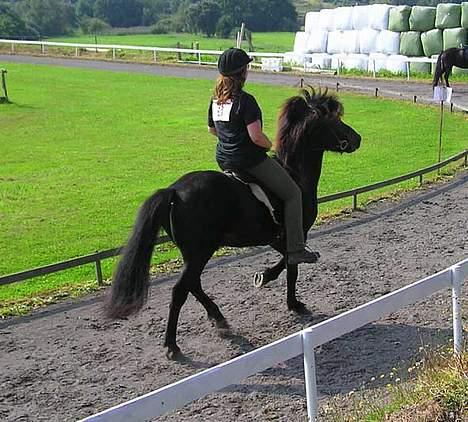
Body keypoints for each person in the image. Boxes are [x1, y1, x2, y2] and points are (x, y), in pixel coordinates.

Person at [207, 47, 318, 265]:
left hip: (224, 160)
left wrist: (230, 140)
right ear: (242, 73)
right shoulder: (246, 101)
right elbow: (256, 137)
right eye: (246, 68)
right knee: (293, 193)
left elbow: (212, 130)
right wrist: (272, 145)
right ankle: (295, 248)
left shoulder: (216, 100)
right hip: (248, 161)